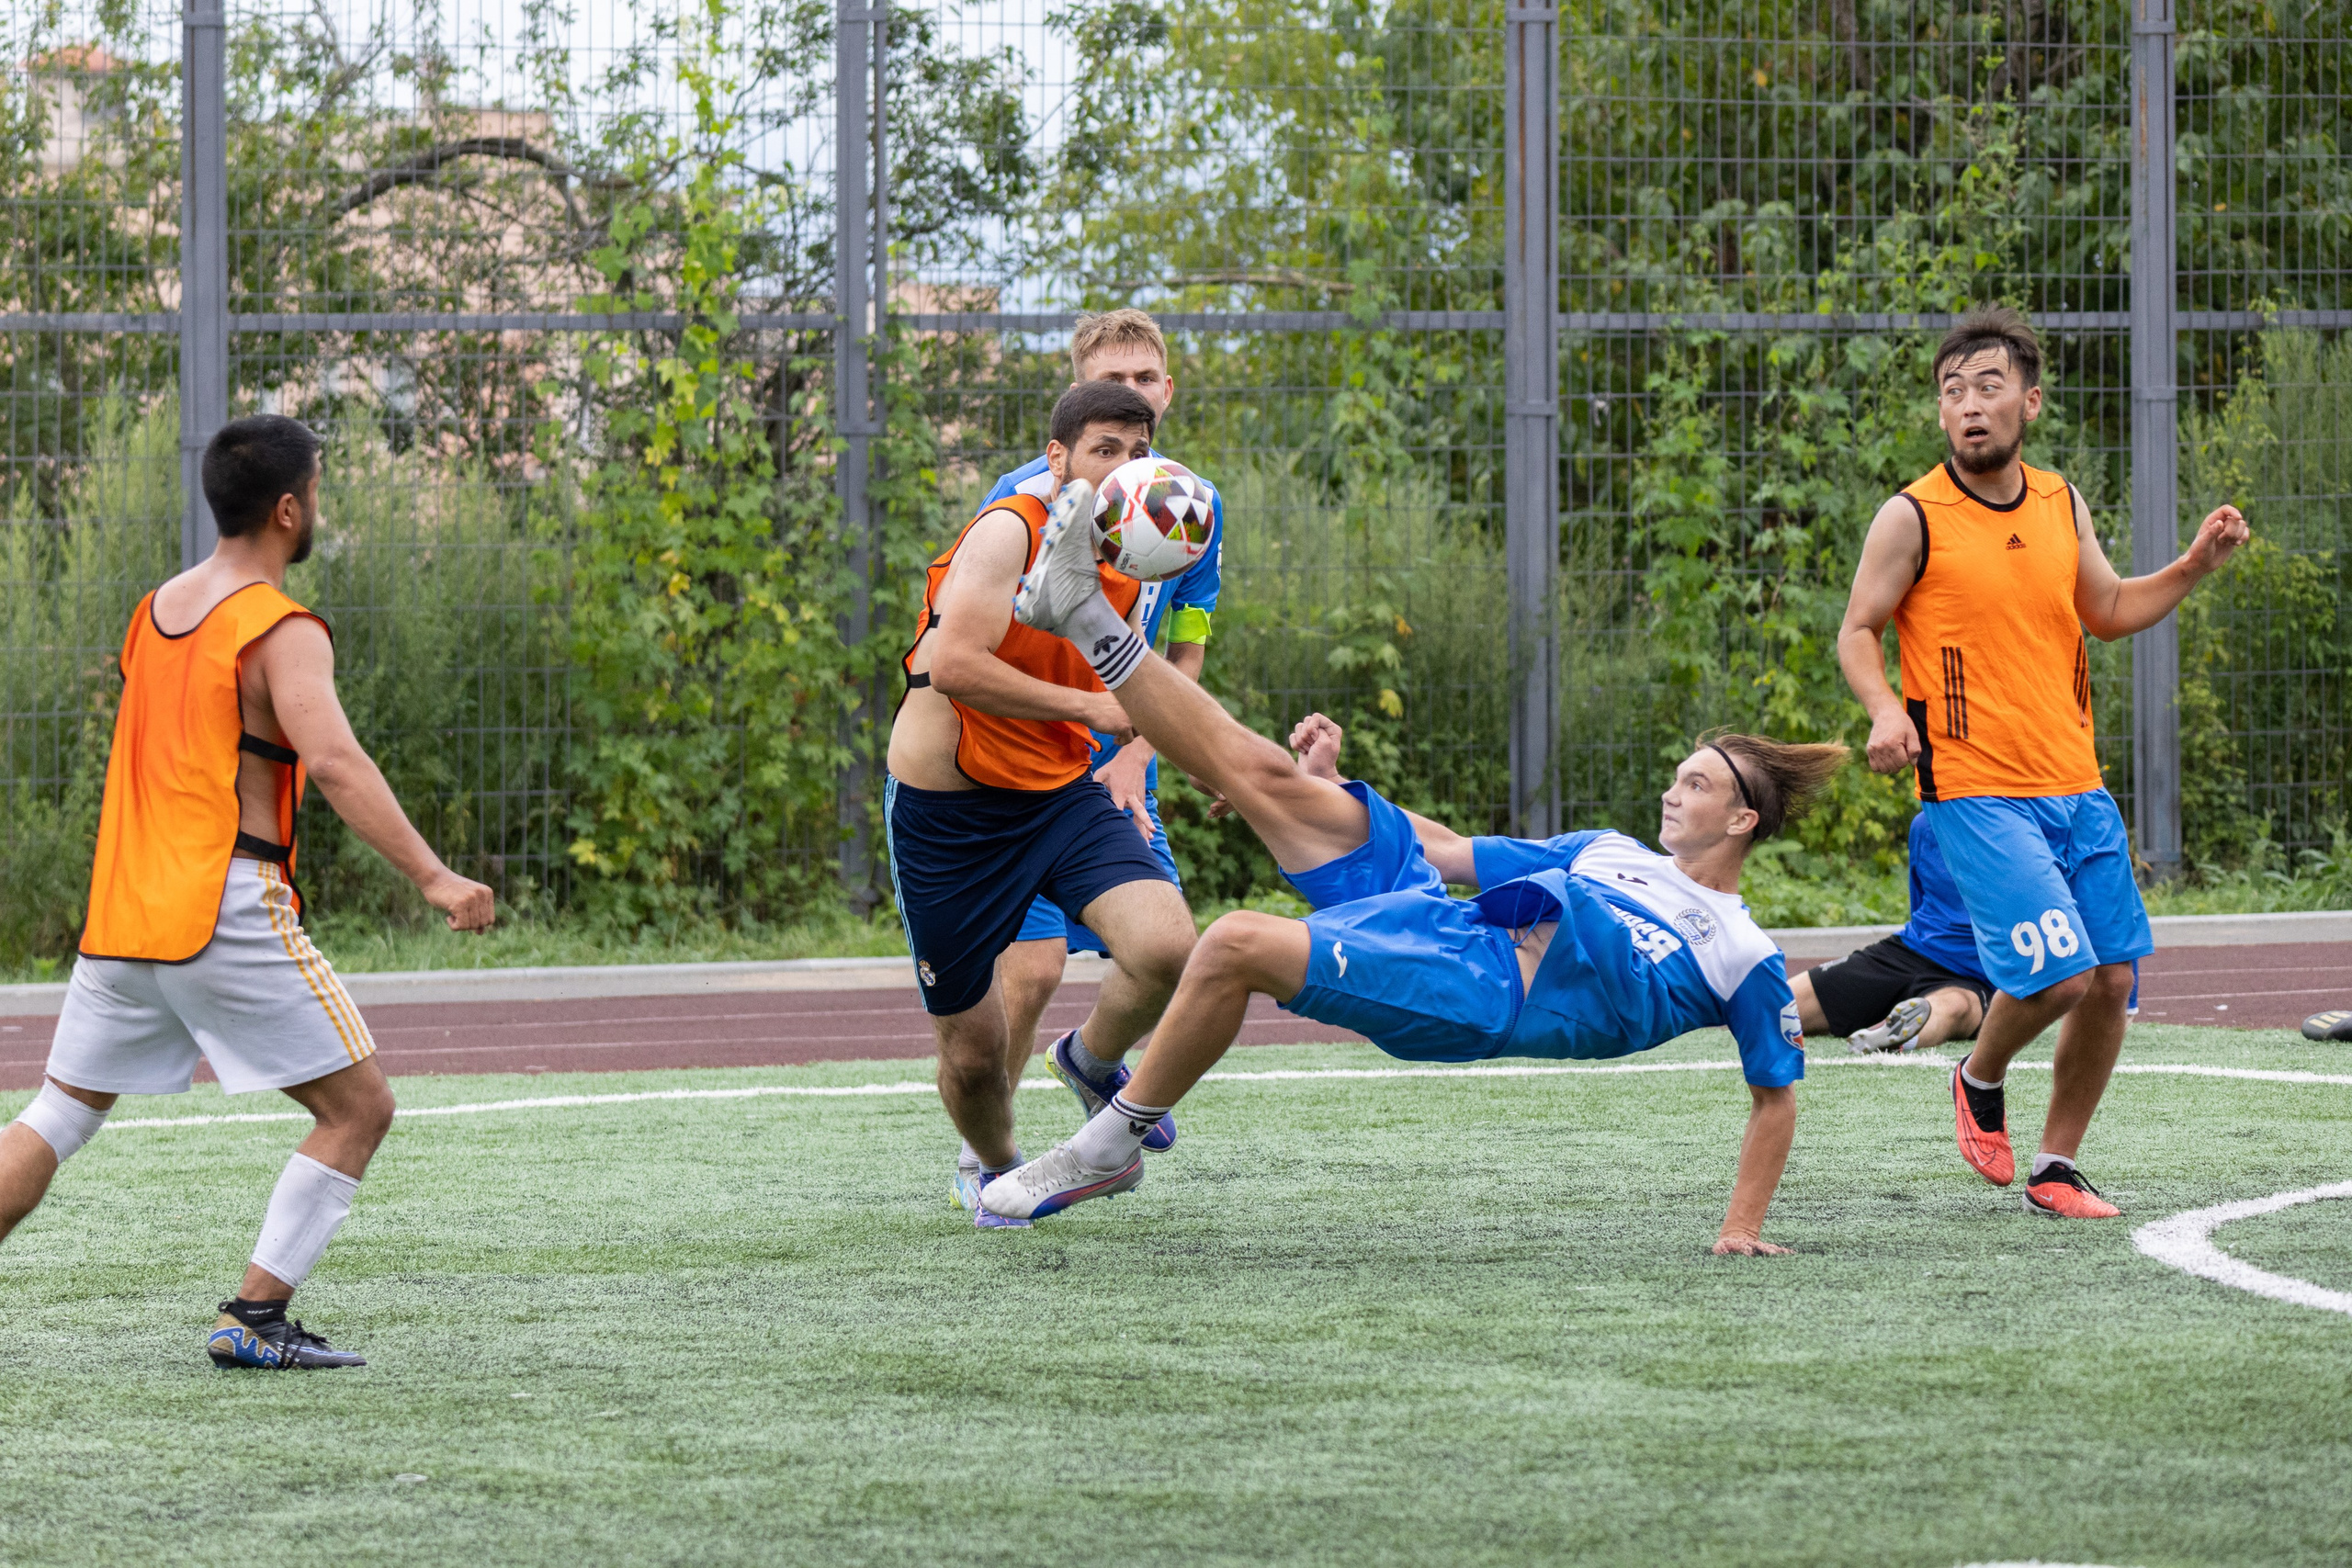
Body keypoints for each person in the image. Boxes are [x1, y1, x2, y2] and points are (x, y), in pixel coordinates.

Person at [978, 502, 1847, 1254]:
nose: (1671, 790)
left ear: (1742, 820)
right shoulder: (1608, 850)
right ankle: (1083, 611)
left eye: (1696, 784)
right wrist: (1333, 792)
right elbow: (1453, 852)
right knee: (1271, 776)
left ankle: (1106, 1147)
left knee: (1234, 941)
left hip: (1483, 993)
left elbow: (1774, 1097)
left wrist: (1740, 1225)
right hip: (1451, 924)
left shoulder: (1744, 951)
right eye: (1677, 776)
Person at [0, 415, 496, 1369]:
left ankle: (256, 1319)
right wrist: (436, 877)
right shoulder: (279, 627)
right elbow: (336, 763)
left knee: (58, 1113)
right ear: (288, 509)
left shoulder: (154, 612)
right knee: (359, 1108)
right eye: (319, 491)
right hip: (219, 906)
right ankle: (255, 1319)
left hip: (125, 912)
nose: (320, 508)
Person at [1838, 305, 2248, 1218]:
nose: (1968, 405)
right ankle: (1979, 1077)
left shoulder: (2061, 502)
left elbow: (2108, 609)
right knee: (2060, 972)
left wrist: (2192, 565)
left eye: (1988, 387)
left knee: (2110, 980)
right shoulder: (1912, 516)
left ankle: (2057, 1166)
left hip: (2075, 784)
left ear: (2029, 402)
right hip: (1974, 789)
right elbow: (1858, 630)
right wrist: (1883, 710)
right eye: (1952, 391)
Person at [887, 380, 1197, 1229]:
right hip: (948, 820)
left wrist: (1188, 752)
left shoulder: (1135, 558)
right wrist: (1093, 709)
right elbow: (955, 665)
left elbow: (1151, 684)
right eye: (1105, 450)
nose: (1123, 468)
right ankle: (996, 1168)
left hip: (1058, 797)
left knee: (1169, 947)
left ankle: (1090, 1060)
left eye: (1138, 453)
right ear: (1058, 458)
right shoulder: (1010, 529)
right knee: (976, 1055)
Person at [973, 309, 1225, 1214]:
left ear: (1169, 391)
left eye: (1146, 380)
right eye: (1112, 381)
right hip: (1021, 761)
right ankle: (986, 1153)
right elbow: (976, 640)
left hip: (1121, 767)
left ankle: (1089, 1060)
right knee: (1033, 969)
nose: (1132, 393)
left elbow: (1185, 650)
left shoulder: (1193, 505)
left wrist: (1147, 750)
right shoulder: (1023, 496)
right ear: (1075, 397)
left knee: (1167, 955)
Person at [1793, 814, 1993, 1055]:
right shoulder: (1926, 823)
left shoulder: (2016, 821)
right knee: (1777, 1005)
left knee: (1954, 1007)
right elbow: (1920, 902)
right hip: (1910, 949)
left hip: (1977, 974)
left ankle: (1894, 1035)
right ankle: (1898, 1027)